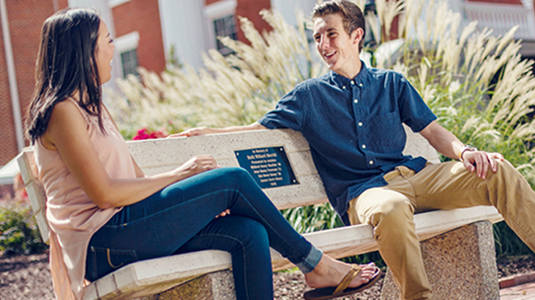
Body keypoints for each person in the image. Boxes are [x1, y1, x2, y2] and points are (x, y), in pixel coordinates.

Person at [173, 1, 535, 299]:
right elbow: (254, 130)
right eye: (316, 37)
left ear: (356, 36)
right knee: (391, 207)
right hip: (365, 193)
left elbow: (433, 133)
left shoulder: (391, 83)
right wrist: (204, 133)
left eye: (330, 34)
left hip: (418, 175)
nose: (322, 44)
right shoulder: (307, 96)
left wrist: (466, 150)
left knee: (498, 169)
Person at [26, 8, 380, 300]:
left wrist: (200, 202)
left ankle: (315, 268)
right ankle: (315, 266)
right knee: (234, 179)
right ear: (83, 50)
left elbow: (135, 181)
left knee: (247, 232)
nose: (112, 50)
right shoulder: (62, 112)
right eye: (107, 41)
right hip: (102, 244)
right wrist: (184, 174)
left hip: (127, 227)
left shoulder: (94, 109)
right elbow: (104, 194)